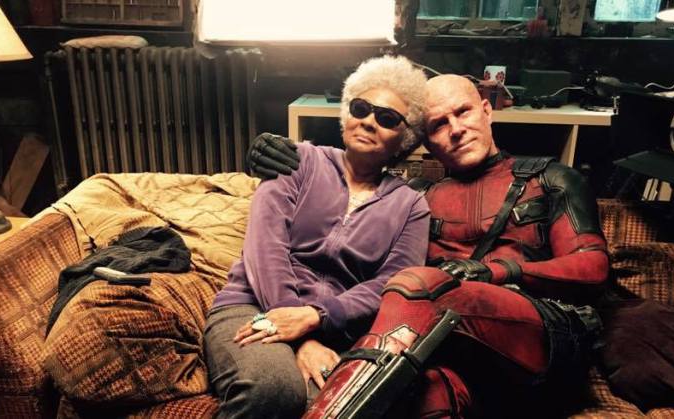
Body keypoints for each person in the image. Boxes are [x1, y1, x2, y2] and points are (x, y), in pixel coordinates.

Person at [248, 74, 609, 418]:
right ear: (423, 142)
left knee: (420, 283)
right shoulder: (415, 199)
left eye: (463, 112)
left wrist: (495, 272)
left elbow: (593, 269)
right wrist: (272, 149)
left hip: (544, 344)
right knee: (426, 394)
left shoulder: (550, 178)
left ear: (486, 110)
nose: (455, 129)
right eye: (437, 125)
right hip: (459, 357)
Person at [203, 55, 431, 419]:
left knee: (333, 409)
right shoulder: (297, 161)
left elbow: (393, 283)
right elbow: (266, 248)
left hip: (334, 330)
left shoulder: (411, 205)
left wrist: (317, 318)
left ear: (404, 138)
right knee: (272, 388)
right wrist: (300, 334)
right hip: (251, 304)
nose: (368, 121)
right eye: (361, 108)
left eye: (387, 118)